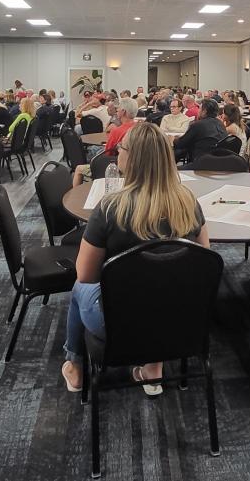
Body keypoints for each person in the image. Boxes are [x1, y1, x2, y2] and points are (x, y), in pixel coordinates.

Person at [60, 122, 210, 394]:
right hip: (182, 320)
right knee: (161, 287)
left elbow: (86, 275)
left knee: (79, 288)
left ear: (133, 157)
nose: (117, 152)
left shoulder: (109, 208)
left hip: (120, 325)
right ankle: (153, 370)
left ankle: (76, 366)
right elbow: (205, 263)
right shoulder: (189, 203)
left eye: (122, 148)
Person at [172, 98, 226, 163]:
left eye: (200, 108)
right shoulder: (221, 124)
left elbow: (180, 144)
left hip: (201, 163)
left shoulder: (198, 125)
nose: (198, 111)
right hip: (219, 161)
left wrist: (172, 139)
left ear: (204, 111)